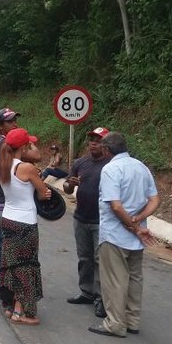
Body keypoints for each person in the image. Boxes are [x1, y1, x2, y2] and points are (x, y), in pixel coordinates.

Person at [88, 132, 160, 338]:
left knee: (115, 279)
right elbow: (155, 199)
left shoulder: (111, 169)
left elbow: (116, 206)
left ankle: (115, 323)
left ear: (106, 150)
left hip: (115, 234)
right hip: (137, 237)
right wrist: (139, 219)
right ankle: (132, 320)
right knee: (135, 277)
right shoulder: (141, 167)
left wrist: (133, 225)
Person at [0, 128, 51, 325]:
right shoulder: (27, 168)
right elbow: (44, 193)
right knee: (26, 265)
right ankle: (23, 311)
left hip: (8, 218)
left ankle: (11, 307)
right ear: (24, 146)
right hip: (26, 222)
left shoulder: (3, 165)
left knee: (11, 265)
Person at [63, 127, 111, 319]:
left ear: (106, 144)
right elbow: (66, 188)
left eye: (98, 139)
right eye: (91, 138)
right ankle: (86, 291)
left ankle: (101, 298)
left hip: (102, 221)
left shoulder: (111, 165)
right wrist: (70, 184)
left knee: (101, 261)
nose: (93, 142)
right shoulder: (80, 163)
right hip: (81, 217)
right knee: (84, 257)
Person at [0, 109, 18, 297]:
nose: (14, 123)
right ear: (0, 125)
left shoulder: (10, 143)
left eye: (15, 120)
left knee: (9, 243)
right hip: (3, 200)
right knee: (1, 242)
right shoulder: (2, 144)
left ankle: (3, 282)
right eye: (10, 122)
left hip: (11, 201)